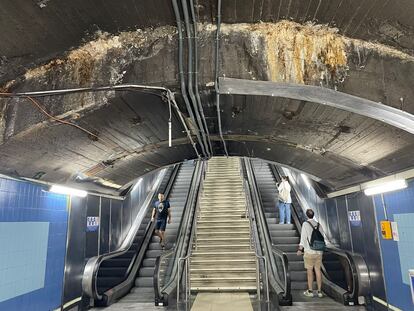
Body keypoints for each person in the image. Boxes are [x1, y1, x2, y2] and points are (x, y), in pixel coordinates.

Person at [297, 209, 326, 298]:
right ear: (313, 215)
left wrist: (299, 249)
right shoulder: (319, 225)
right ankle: (320, 291)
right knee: (318, 270)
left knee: (310, 271)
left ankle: (310, 291)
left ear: (306, 215)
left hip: (309, 251)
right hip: (319, 252)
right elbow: (322, 238)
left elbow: (303, 238)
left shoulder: (305, 224)